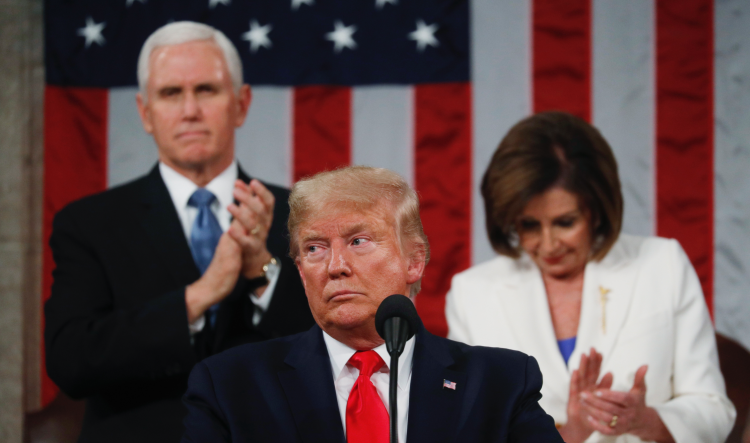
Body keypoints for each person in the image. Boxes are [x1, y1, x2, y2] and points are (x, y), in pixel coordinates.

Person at [44, 22, 315, 443]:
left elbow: (338, 346)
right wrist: (200, 295)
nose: (190, 110)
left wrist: (262, 270)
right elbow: (71, 361)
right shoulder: (89, 223)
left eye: (207, 90)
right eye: (171, 93)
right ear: (145, 112)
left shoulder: (301, 214)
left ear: (241, 104)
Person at [181, 166, 565, 443]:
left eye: (359, 241)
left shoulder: (500, 384)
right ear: (300, 271)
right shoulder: (229, 386)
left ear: (414, 261)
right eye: (314, 248)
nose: (336, 266)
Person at [445, 111, 736, 443]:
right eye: (528, 225)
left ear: (597, 209)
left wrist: (647, 421)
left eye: (565, 222)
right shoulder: (472, 294)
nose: (549, 244)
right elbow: (471, 432)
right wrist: (570, 432)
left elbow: (714, 410)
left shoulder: (662, 264)